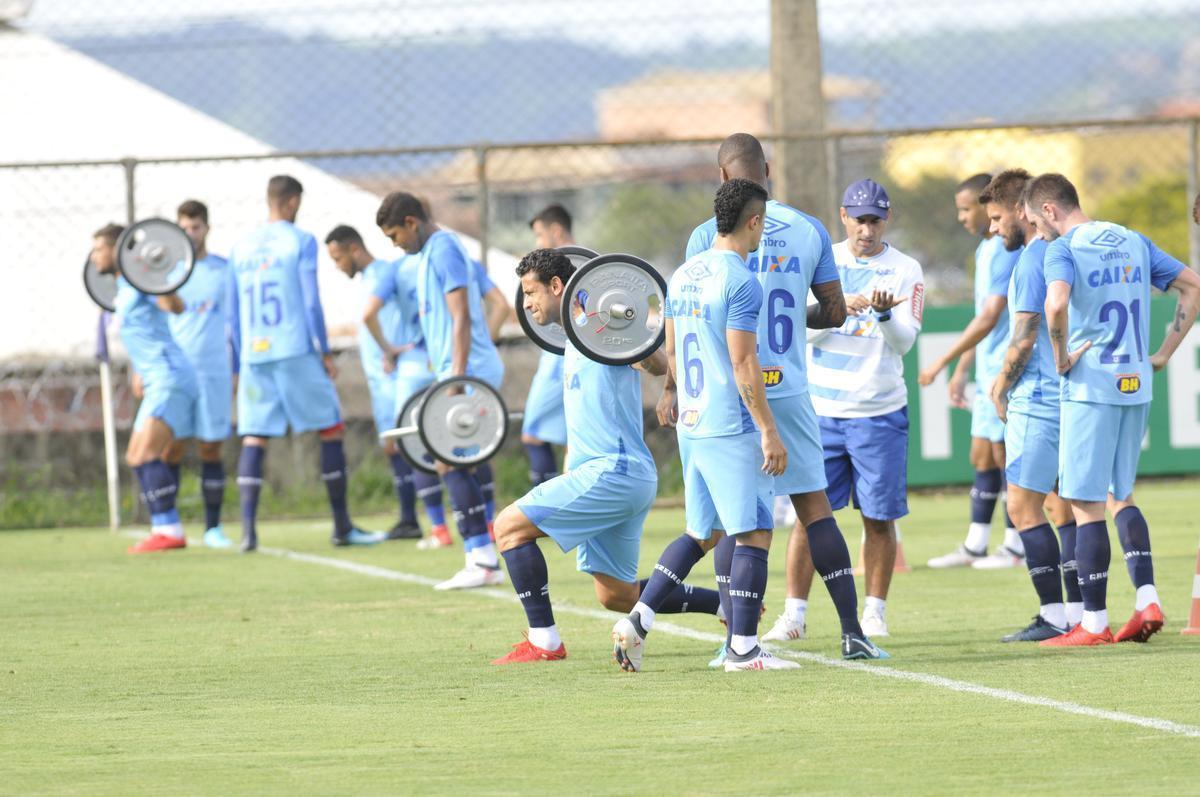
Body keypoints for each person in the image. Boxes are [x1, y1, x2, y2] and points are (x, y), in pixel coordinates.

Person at [678, 134, 884, 663]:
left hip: (732, 398)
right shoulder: (810, 228)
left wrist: (669, 386)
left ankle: (735, 638)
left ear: (723, 178)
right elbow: (835, 313)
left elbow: (696, 323)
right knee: (816, 508)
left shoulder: (706, 236)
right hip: (788, 389)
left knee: (735, 517)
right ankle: (851, 633)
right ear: (768, 170)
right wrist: (795, 314)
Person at [490, 249, 722, 664]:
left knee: (508, 527)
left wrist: (632, 331)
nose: (526, 304)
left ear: (557, 286)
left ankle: (545, 641)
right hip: (614, 475)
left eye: (531, 292)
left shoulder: (602, 324)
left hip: (613, 472)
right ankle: (723, 604)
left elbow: (654, 360)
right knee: (616, 595)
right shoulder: (569, 340)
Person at [613, 177, 794, 673]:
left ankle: (639, 618)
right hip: (728, 425)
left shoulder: (685, 271)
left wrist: (670, 392)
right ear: (753, 221)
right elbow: (743, 364)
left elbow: (672, 347)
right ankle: (743, 650)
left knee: (701, 533)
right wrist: (768, 430)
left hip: (691, 423)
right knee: (755, 532)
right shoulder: (740, 280)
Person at [1025, 173, 1200, 646]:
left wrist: (1061, 357)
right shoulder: (1132, 239)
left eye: (1037, 225)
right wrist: (1163, 353)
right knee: (1122, 495)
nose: (1039, 235)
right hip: (1135, 383)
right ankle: (1147, 598)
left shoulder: (1062, 249)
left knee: (1084, 504)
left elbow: (1056, 303)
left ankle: (1095, 623)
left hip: (1090, 387)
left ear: (1049, 211)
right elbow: (1193, 287)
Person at [776, 178, 923, 640]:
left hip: (879, 411)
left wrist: (879, 314)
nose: (867, 228)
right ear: (844, 217)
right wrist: (837, 308)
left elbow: (904, 343)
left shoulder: (906, 269)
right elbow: (800, 329)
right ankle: (794, 614)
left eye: (875, 219)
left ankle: (874, 611)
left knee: (878, 517)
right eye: (859, 219)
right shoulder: (823, 261)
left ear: (887, 219)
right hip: (819, 411)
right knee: (809, 515)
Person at [228, 175, 383, 552]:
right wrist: (324, 353)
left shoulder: (241, 246)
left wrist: (237, 362)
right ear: (294, 202)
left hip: (253, 351)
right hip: (293, 347)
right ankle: (342, 525)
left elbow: (232, 314)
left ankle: (248, 531)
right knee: (330, 427)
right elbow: (311, 301)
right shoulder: (299, 241)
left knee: (255, 434)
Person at [374, 191, 506, 590]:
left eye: (395, 234)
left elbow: (462, 315)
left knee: (448, 459)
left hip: (465, 372)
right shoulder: (428, 253)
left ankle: (482, 558)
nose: (394, 244)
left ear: (412, 223)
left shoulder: (445, 247)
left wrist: (458, 375)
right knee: (453, 460)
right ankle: (481, 555)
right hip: (455, 370)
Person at [983, 169, 1081, 641]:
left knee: (1024, 508)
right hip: (1076, 397)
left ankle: (1054, 615)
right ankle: (1084, 613)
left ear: (1022, 212)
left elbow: (1022, 340)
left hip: (1038, 401)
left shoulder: (1031, 260)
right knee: (1070, 507)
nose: (993, 228)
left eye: (998, 217)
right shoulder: (1071, 249)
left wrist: (1000, 384)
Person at [921, 174, 1023, 569]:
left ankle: (1016, 544)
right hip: (986, 367)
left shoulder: (1004, 248)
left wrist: (942, 361)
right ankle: (976, 543)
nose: (962, 216)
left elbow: (992, 315)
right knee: (981, 455)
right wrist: (964, 368)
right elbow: (984, 322)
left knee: (1005, 457)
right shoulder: (985, 249)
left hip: (1006, 370)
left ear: (989, 206)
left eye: (967, 208)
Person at [327, 223, 441, 542]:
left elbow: (393, 316)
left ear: (354, 249)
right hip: (381, 380)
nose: (338, 267)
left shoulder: (383, 274)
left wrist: (390, 348)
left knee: (405, 443)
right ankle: (411, 518)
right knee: (394, 447)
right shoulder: (370, 278)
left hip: (394, 376)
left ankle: (426, 518)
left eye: (338, 258)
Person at [93, 223, 199, 553]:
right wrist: (139, 370)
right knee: (137, 457)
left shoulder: (140, 284)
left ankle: (170, 529)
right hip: (155, 379)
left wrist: (154, 272)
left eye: (99, 248)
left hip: (170, 377)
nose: (94, 255)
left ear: (116, 250)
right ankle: (164, 527)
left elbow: (175, 306)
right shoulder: (123, 291)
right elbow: (144, 334)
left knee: (146, 454)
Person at [147, 200, 237, 550]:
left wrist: (237, 370)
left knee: (211, 447)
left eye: (196, 226)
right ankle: (170, 526)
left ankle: (213, 528)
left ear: (207, 228)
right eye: (184, 227)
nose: (190, 233)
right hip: (176, 374)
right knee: (171, 448)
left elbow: (236, 324)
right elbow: (154, 324)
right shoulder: (166, 273)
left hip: (214, 370)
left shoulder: (224, 270)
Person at [518, 204, 573, 487]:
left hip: (559, 361)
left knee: (533, 434)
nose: (538, 243)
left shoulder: (580, 264)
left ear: (555, 230)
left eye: (540, 235)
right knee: (573, 441)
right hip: (556, 358)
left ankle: (548, 507)